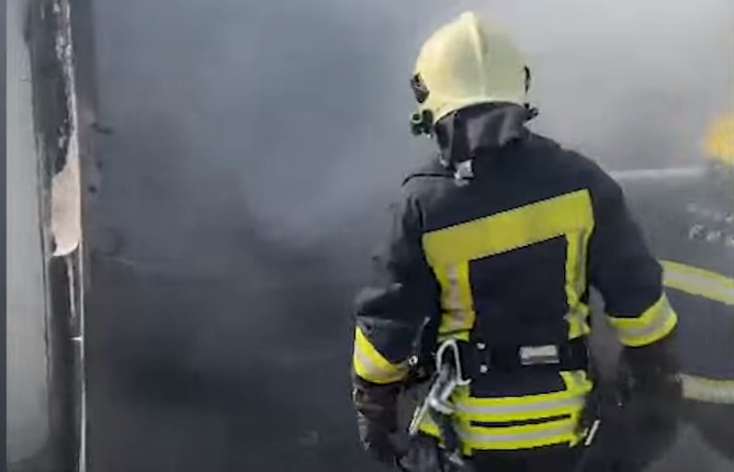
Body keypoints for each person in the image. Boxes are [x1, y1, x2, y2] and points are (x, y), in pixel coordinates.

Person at [350, 11, 680, 472]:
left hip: (464, 441)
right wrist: (656, 384)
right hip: (571, 435)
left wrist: (374, 410)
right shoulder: (582, 184)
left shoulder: (422, 206)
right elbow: (639, 302)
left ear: (432, 110)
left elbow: (386, 329)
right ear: (519, 94)